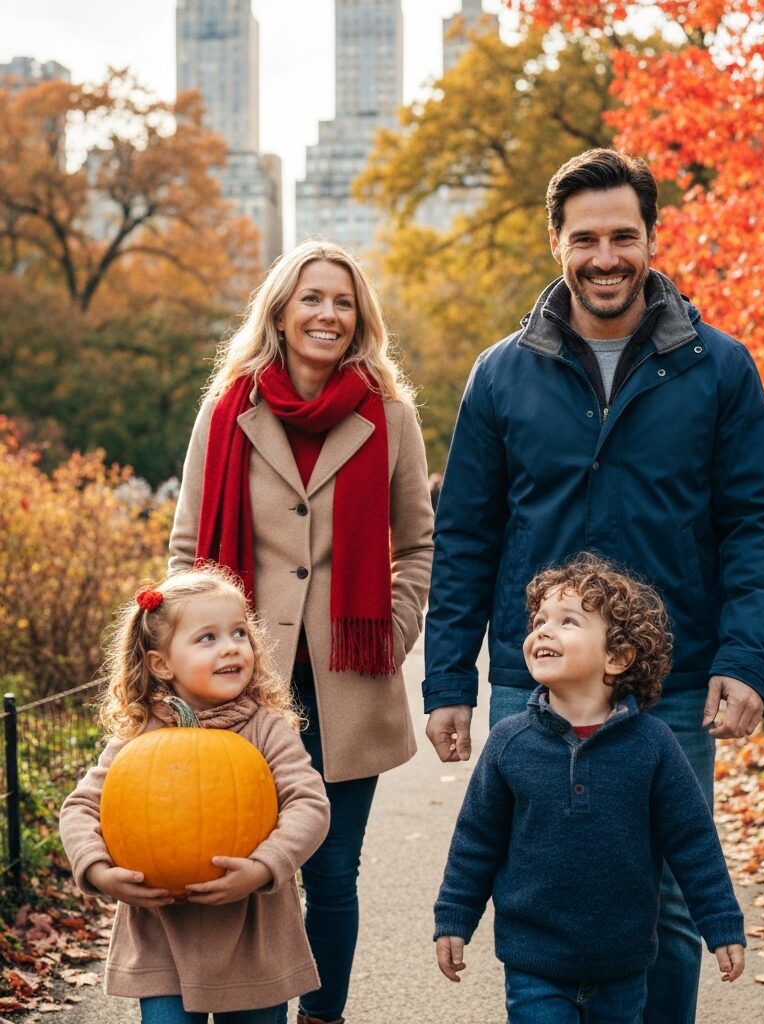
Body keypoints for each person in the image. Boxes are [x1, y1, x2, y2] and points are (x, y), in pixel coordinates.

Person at [423, 148, 764, 1023]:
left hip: (671, 681)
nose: (605, 256)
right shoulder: (500, 373)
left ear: (652, 238)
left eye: (624, 235)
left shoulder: (718, 366)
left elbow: (755, 525)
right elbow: (467, 537)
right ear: (556, 242)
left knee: (664, 899)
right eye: (585, 237)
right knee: (540, 886)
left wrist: (744, 658)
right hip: (533, 679)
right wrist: (447, 685)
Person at [168, 240, 434, 1024]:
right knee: (248, 863)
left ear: (361, 321)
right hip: (239, 681)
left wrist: (393, 628)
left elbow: (418, 544)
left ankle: (324, 1017)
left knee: (334, 873)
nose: (328, 314)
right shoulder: (227, 412)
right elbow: (188, 550)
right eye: (312, 298)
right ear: (281, 310)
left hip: (350, 677)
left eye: (343, 302)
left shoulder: (389, 414)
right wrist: (186, 656)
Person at [433, 555, 746, 1023]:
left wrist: (721, 925)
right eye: (539, 621)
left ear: (616, 657)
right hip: (533, 960)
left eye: (568, 621)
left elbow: (692, 841)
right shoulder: (509, 743)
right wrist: (454, 919)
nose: (543, 631)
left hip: (622, 963)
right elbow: (476, 841)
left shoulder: (653, 745)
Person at [60, 567, 331, 1023]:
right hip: (163, 935)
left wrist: (265, 866)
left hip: (253, 938)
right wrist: (99, 870)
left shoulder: (265, 728)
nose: (230, 647)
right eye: (207, 638)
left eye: (239, 633)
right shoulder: (138, 737)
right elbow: (81, 807)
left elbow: (309, 804)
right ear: (161, 664)